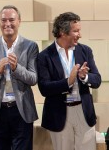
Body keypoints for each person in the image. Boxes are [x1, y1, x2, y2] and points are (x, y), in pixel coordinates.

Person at [0, 5, 39, 150]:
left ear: (19, 21)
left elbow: (33, 78)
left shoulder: (30, 46)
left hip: (21, 109)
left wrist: (16, 68)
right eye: (3, 20)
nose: (7, 24)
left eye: (11, 20)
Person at [37, 12, 101, 150]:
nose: (80, 35)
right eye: (76, 31)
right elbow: (44, 88)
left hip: (83, 111)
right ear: (62, 32)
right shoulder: (44, 56)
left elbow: (97, 80)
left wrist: (85, 77)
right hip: (59, 113)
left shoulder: (85, 51)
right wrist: (68, 82)